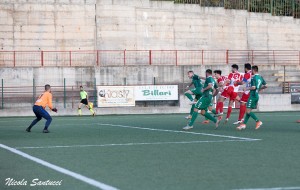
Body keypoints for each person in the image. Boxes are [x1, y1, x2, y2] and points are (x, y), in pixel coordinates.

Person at [237, 65, 267, 130]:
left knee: (248, 111)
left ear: (253, 70)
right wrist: (258, 89)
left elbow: (253, 87)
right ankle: (244, 124)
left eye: (252, 71)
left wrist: (246, 88)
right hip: (256, 96)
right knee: (248, 111)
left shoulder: (253, 78)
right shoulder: (260, 77)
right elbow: (266, 85)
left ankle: (258, 121)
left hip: (252, 96)